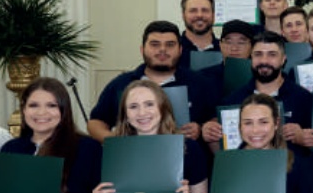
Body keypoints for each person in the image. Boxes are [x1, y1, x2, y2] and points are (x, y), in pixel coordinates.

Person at [87, 20, 217, 143]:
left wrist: (201, 128)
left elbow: (215, 120)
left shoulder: (201, 83)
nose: (162, 50)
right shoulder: (120, 84)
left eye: (170, 45)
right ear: (142, 49)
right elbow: (96, 122)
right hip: (133, 157)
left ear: (180, 50)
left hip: (186, 158)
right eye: (155, 44)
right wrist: (115, 141)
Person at [214, 32, 313, 150]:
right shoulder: (232, 101)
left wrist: (303, 138)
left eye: (272, 54)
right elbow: (225, 153)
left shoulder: (304, 99)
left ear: (283, 59)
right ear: (251, 58)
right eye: (258, 54)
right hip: (247, 167)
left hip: (293, 167)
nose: (264, 60)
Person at [177, 0, 219, 69]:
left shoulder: (226, 50)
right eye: (193, 11)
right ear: (183, 15)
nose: (199, 15)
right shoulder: (173, 50)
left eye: (205, 10)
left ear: (213, 15)